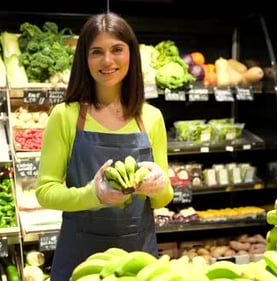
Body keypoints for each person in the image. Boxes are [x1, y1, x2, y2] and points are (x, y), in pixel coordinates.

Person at [35, 12, 174, 281]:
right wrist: (93, 195)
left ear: (131, 55)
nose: (107, 60)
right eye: (96, 51)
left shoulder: (152, 118)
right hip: (79, 258)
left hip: (139, 260)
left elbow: (163, 198)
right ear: (84, 59)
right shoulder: (65, 116)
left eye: (117, 49)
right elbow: (45, 191)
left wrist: (160, 186)